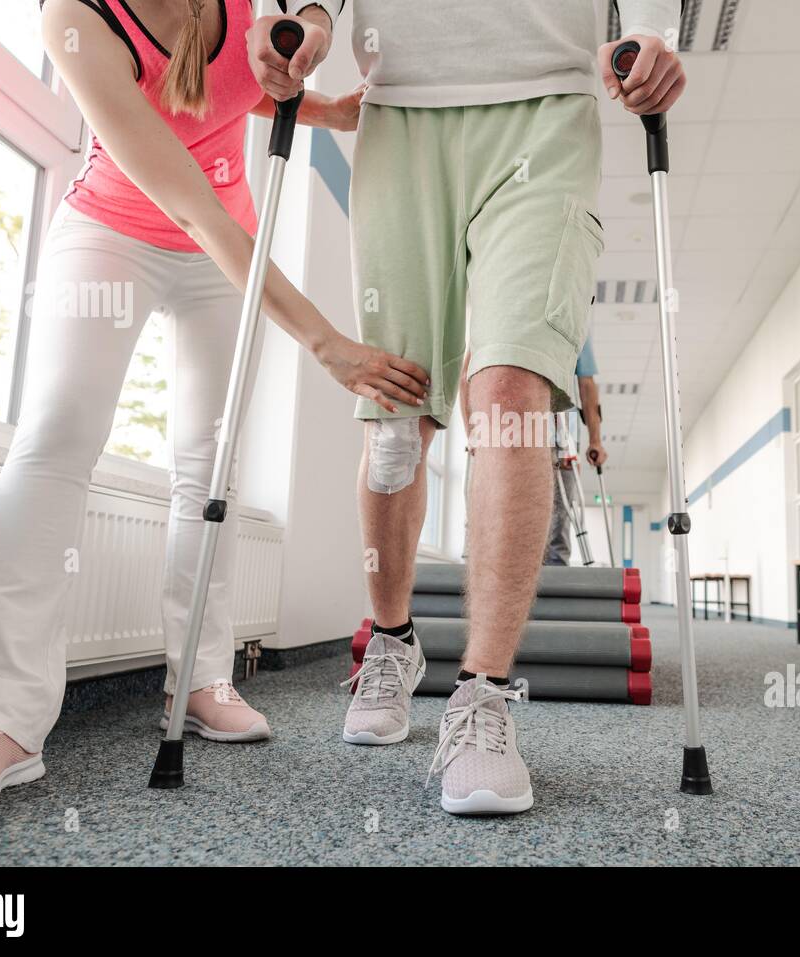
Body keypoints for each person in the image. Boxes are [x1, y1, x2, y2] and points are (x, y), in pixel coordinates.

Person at [0, 0, 428, 818]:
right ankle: (0, 720)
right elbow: (188, 204)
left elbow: (234, 87)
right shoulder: (76, 18)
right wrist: (326, 344)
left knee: (206, 465)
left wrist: (322, 103)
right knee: (56, 437)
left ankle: (203, 677)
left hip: (217, 243)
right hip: (117, 228)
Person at [252, 0, 685, 814]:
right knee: (393, 424)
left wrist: (653, 31)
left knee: (511, 394)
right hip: (401, 115)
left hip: (546, 109)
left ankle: (483, 697)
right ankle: (391, 642)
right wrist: (308, 15)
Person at [546, 333, 608, 566]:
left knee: (560, 516)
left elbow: (586, 385)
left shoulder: (576, 324)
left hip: (562, 432)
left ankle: (555, 578)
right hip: (523, 429)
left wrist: (595, 440)